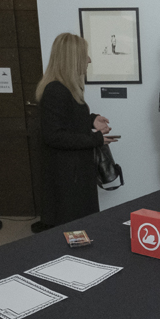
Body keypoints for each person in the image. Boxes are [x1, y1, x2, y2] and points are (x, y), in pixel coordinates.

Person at [36, 32, 116, 229]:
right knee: (74, 226)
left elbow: (67, 118)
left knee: (81, 225)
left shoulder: (64, 88)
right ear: (72, 58)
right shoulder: (56, 90)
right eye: (85, 55)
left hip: (74, 172)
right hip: (68, 177)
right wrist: (96, 140)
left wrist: (92, 119)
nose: (88, 60)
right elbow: (53, 136)